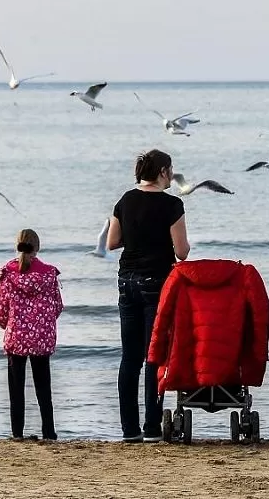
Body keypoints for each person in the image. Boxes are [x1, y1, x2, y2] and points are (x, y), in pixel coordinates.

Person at [106, 149, 190, 443]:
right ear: (164, 171)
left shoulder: (125, 201)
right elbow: (181, 252)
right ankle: (152, 428)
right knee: (154, 356)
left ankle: (129, 430)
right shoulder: (171, 205)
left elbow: (112, 242)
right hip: (156, 282)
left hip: (126, 281)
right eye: (171, 170)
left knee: (130, 358)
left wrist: (138, 235)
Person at [0, 229, 64, 441]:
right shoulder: (49, 274)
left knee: (16, 390)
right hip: (42, 338)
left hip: (16, 338)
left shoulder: (7, 274)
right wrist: (42, 325)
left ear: (17, 247)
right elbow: (57, 306)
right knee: (44, 389)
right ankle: (49, 432)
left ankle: (17, 433)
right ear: (37, 247)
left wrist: (11, 325)